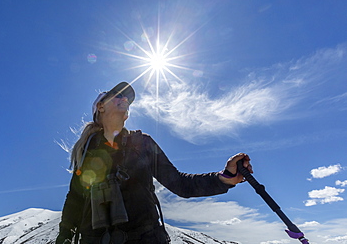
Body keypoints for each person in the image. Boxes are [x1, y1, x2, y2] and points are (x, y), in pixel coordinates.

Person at [56, 82, 253, 244]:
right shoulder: (86, 153)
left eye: (127, 99)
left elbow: (180, 183)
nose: (124, 99)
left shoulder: (143, 143)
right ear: (100, 107)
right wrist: (64, 235)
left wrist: (224, 178)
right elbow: (75, 199)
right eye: (117, 95)